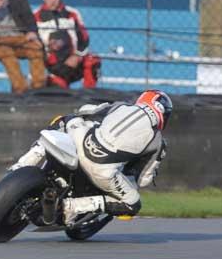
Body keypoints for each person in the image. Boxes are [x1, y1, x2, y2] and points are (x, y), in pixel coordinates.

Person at [10, 89, 171, 225]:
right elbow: (144, 180)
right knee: (132, 204)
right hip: (102, 170)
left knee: (64, 120)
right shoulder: (157, 141)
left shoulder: (121, 106)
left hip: (81, 141)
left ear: (143, 99)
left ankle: (19, 167)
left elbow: (87, 110)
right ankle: (69, 206)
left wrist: (83, 120)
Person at [34, 0, 101, 88]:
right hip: (53, 65)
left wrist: (77, 55)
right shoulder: (36, 16)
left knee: (93, 60)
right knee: (56, 88)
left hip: (74, 59)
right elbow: (34, 43)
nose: (53, 1)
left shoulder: (72, 13)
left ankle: (89, 96)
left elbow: (84, 38)